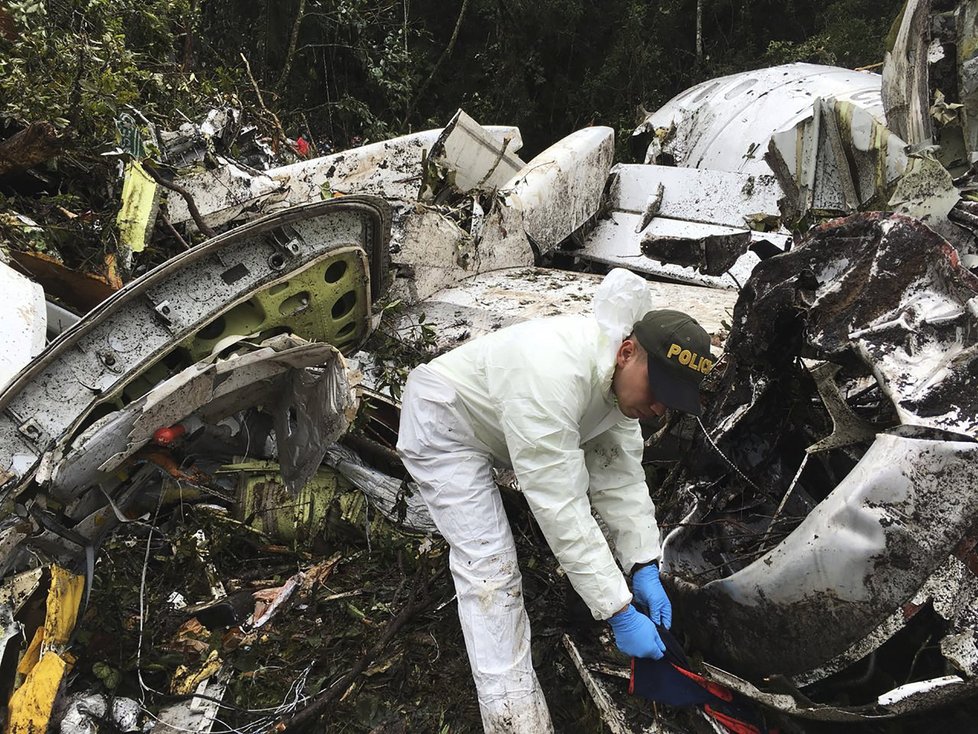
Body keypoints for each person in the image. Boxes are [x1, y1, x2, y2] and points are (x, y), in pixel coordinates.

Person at [396, 268, 714, 732]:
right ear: (627, 352)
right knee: (490, 569)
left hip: (500, 425)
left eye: (672, 400)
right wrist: (618, 611)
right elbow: (562, 506)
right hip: (444, 420)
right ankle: (515, 720)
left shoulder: (615, 383)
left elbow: (620, 479)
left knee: (521, 547)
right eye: (659, 391)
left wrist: (643, 563)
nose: (660, 409)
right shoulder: (552, 374)